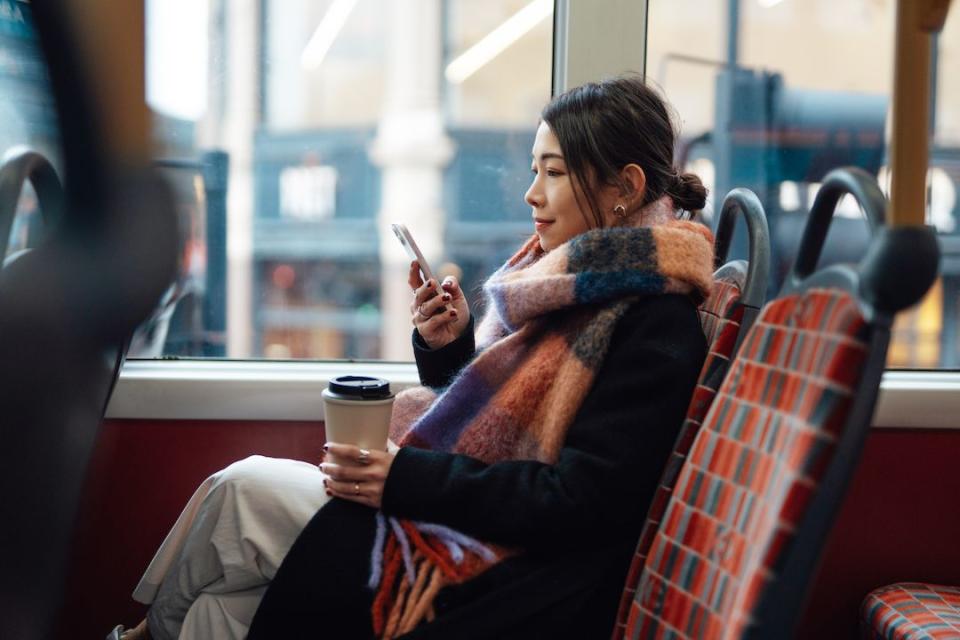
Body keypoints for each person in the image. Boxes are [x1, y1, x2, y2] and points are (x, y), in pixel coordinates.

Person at [110, 75, 713, 640]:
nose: (532, 193)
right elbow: (499, 427)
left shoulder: (652, 322)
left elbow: (576, 501)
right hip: (467, 526)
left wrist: (404, 478)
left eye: (552, 172)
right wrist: (450, 348)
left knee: (240, 490)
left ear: (626, 187)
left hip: (508, 576)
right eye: (535, 170)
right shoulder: (568, 284)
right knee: (220, 612)